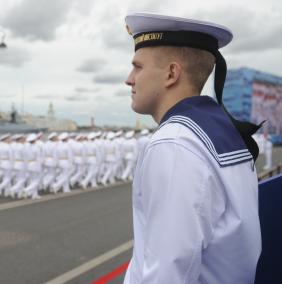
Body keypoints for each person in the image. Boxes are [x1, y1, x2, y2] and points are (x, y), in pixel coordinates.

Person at [123, 13, 261, 283]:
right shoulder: (217, 129)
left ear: (171, 73)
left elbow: (168, 273)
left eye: (137, 67)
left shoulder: (174, 144)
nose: (129, 79)